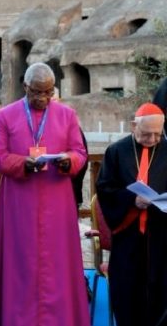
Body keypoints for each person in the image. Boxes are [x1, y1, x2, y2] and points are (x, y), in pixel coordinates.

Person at [0, 62, 89, 326]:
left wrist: (69, 161)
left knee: (57, 267)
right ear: (25, 87)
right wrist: (22, 163)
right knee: (20, 266)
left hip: (57, 201)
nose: (43, 98)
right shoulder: (5, 115)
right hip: (19, 203)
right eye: (37, 92)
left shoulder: (67, 115)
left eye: (48, 92)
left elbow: (80, 152)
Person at [97, 102, 167, 326]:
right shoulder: (116, 151)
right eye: (146, 134)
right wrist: (131, 199)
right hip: (128, 235)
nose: (153, 139)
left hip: (161, 235)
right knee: (128, 292)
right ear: (133, 126)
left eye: (158, 134)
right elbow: (105, 189)